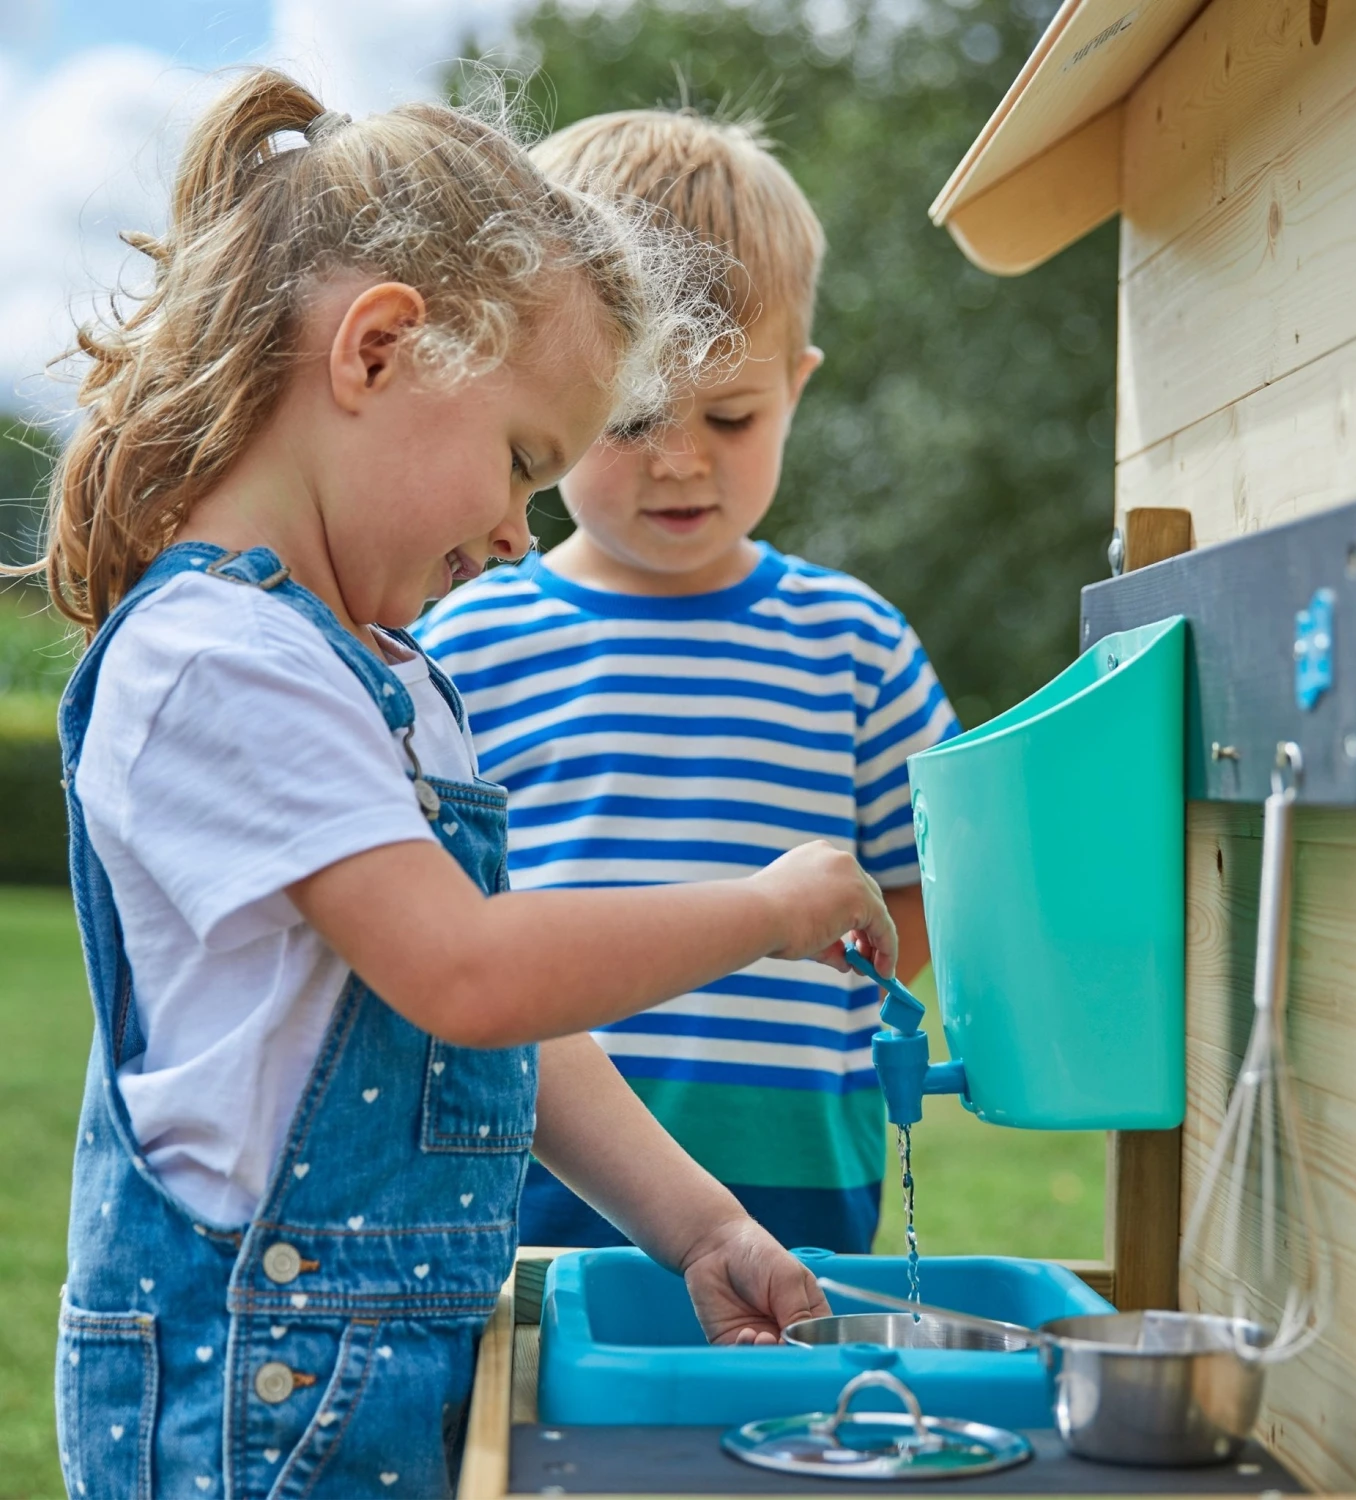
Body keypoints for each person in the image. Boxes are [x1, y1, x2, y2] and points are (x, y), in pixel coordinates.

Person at [32, 72, 905, 1498]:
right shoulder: (217, 663)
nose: (517, 532)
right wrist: (760, 909)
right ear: (376, 351)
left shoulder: (385, 675)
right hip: (249, 1408)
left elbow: (500, 1029)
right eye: (519, 461)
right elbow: (471, 973)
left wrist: (696, 1225)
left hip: (375, 1387)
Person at [416, 110, 958, 1258]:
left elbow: (929, 891)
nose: (679, 458)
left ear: (798, 389)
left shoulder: (854, 643)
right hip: (531, 1177)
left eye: (731, 415)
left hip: (804, 1183)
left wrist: (860, 994)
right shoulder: (465, 639)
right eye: (637, 415)